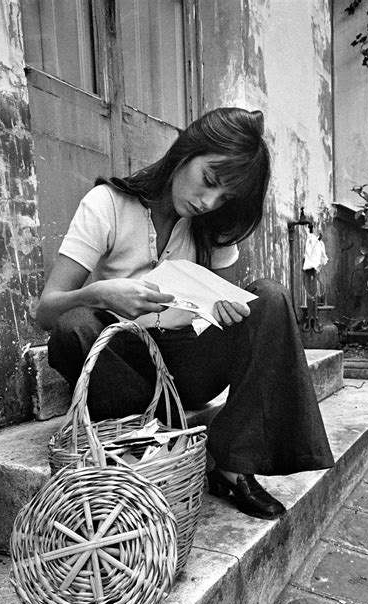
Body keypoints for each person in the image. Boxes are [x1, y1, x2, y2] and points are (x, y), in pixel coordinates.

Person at [37, 107, 334, 521]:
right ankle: (152, 438)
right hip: (123, 366)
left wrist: (225, 307)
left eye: (224, 197)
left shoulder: (212, 224)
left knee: (269, 297)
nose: (207, 201)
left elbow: (226, 305)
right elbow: (46, 309)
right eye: (209, 180)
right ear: (186, 152)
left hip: (187, 364)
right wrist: (100, 294)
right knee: (74, 326)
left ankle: (231, 464)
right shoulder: (107, 204)